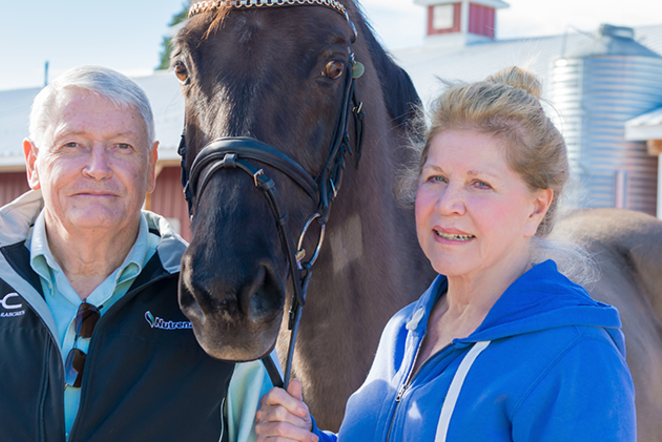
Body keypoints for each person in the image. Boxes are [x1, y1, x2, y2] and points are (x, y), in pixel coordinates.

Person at [254, 66, 636, 441]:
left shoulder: (576, 354)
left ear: (536, 208)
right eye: (436, 178)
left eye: (480, 184)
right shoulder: (402, 330)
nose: (448, 203)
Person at [0, 65, 270, 442]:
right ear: (33, 163)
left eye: (122, 147)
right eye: (72, 144)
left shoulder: (216, 300)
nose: (97, 169)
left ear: (151, 166)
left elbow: (262, 432)